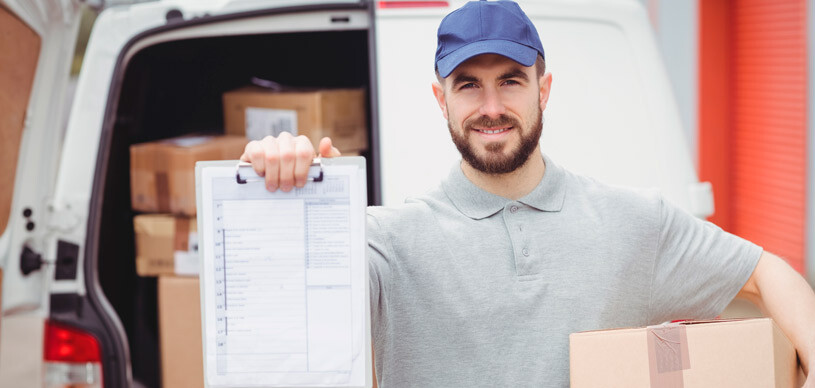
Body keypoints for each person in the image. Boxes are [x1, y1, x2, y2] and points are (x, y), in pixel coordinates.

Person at [241, 1, 815, 386]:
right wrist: (283, 200)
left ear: (544, 89)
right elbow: (277, 322)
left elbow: (768, 273)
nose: (491, 108)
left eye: (510, 81)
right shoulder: (387, 244)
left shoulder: (632, 222)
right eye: (469, 85)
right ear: (441, 100)